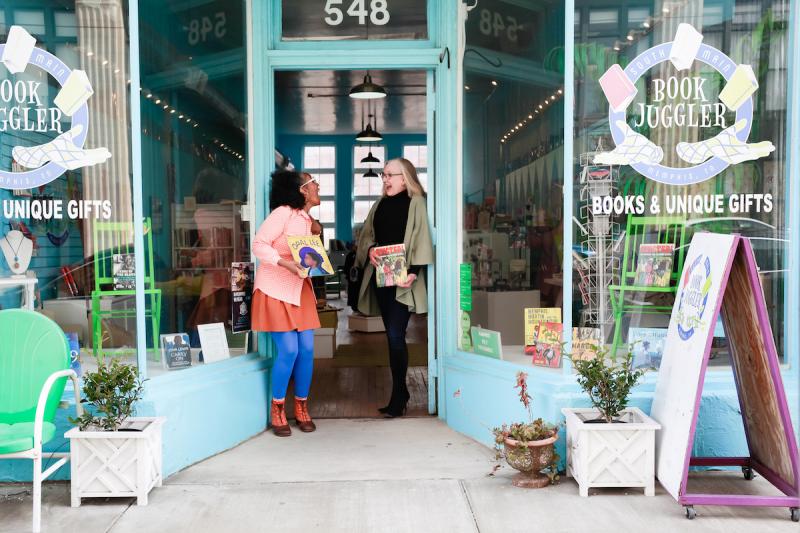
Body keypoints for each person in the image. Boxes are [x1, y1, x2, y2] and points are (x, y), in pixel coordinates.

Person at [356, 158, 434, 418]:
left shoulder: (416, 202)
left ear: (405, 177)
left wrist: (413, 273)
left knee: (395, 336)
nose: (386, 180)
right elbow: (367, 236)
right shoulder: (379, 204)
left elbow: (422, 237)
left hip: (404, 280)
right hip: (383, 278)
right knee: (392, 336)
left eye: (391, 175)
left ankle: (399, 395)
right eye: (383, 175)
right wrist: (370, 251)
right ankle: (400, 393)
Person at [252, 170, 322, 436]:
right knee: (289, 350)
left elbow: (309, 256)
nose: (317, 185)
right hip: (274, 288)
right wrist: (284, 263)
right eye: (313, 182)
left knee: (306, 348)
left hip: (300, 288)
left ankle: (302, 407)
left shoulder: (308, 219)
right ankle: (278, 408)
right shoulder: (282, 213)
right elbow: (259, 245)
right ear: (302, 189)